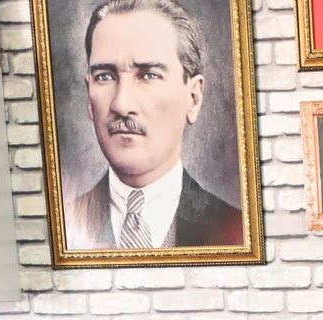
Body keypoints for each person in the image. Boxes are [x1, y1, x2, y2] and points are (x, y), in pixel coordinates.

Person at [67, 0, 242, 251]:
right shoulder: (65, 228)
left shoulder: (235, 231)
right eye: (104, 76)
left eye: (149, 75)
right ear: (88, 95)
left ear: (193, 98)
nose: (121, 104)